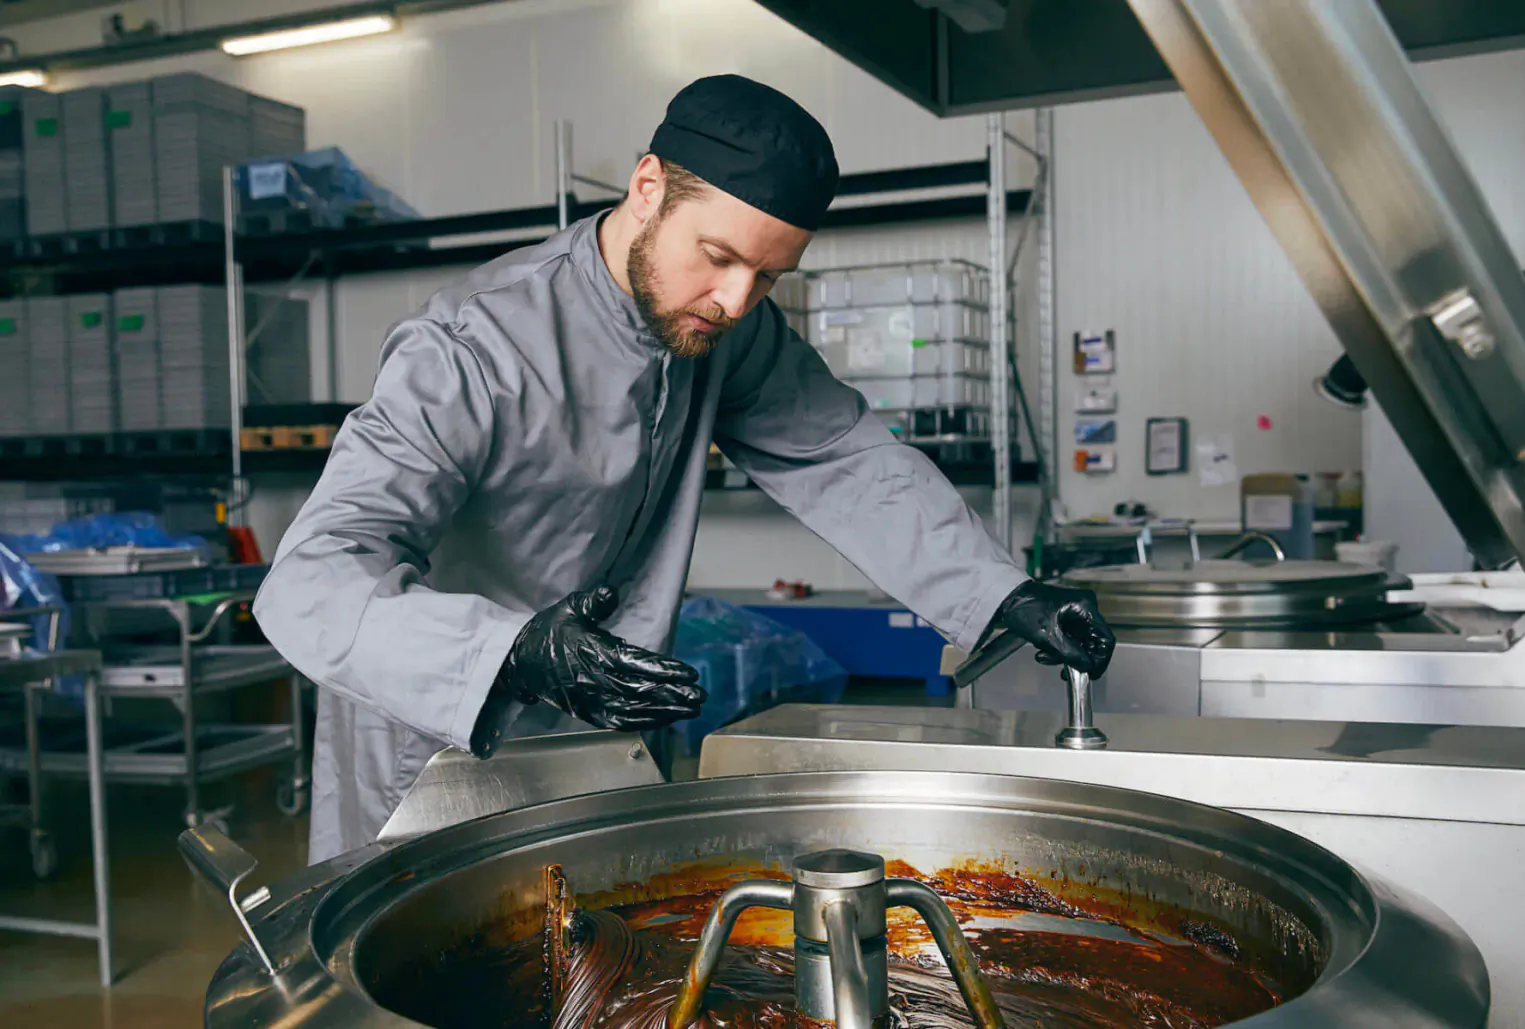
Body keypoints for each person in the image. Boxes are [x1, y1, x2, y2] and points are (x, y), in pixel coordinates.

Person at [254, 74, 1115, 864]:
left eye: (769, 277)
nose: (737, 300)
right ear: (647, 188)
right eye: (720, 256)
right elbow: (309, 583)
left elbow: (841, 454)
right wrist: (508, 655)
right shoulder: (473, 348)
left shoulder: (717, 332)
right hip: (432, 742)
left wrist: (999, 593)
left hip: (598, 734)